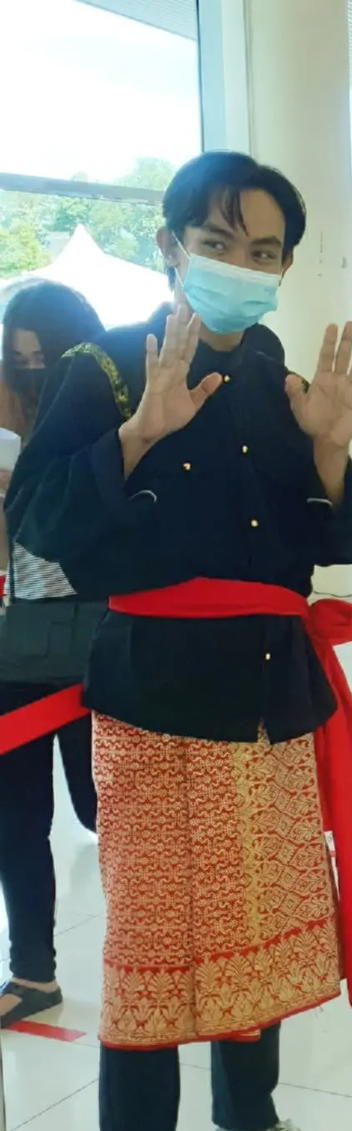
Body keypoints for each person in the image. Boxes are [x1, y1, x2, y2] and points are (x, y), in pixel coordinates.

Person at [6, 150, 352, 1131]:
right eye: (218, 243)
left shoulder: (277, 372)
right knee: (153, 962)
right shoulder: (112, 369)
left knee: (256, 932)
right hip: (158, 703)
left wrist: (326, 455)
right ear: (171, 246)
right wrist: (137, 436)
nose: (240, 265)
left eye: (263, 251)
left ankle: (247, 1129)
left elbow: (327, 542)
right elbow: (37, 526)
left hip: (270, 697)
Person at [0, 282, 104, 1028]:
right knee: (17, 820)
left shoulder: (104, 416)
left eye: (43, 357)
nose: (30, 372)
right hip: (18, 645)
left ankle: (162, 960)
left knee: (113, 814)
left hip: (102, 637)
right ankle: (31, 971)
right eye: (17, 358)